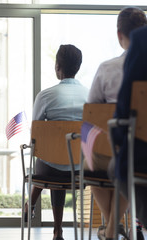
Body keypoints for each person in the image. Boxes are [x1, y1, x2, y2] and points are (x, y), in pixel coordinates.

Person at [87, 7, 147, 240]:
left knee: (96, 160)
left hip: (127, 150)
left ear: (119, 35)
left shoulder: (106, 68)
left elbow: (91, 114)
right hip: (137, 150)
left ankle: (111, 227)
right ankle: (115, 224)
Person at [25, 44, 88, 240]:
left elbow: (34, 136)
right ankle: (55, 228)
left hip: (50, 170)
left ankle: (55, 228)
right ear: (78, 67)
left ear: (57, 66)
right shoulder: (90, 95)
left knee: (51, 157)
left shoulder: (45, 95)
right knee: (63, 157)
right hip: (81, 168)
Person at [111, 25, 147, 228]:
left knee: (117, 168)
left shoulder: (141, 41)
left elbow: (125, 105)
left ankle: (111, 228)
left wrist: (118, 139)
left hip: (142, 154)